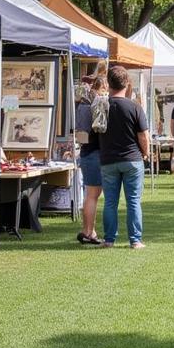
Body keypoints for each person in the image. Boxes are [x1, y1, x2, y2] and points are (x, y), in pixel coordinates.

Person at [98, 65, 149, 249]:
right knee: (133, 201)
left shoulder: (102, 107)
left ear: (108, 83)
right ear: (127, 84)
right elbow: (143, 135)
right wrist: (146, 153)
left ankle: (109, 239)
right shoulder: (134, 107)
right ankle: (135, 240)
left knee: (110, 202)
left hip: (108, 159)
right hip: (132, 158)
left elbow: (94, 132)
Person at [74, 75, 106, 245]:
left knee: (89, 195)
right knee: (93, 195)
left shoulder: (81, 104)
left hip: (85, 151)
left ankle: (88, 230)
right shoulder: (97, 103)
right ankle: (88, 231)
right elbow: (101, 128)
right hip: (95, 151)